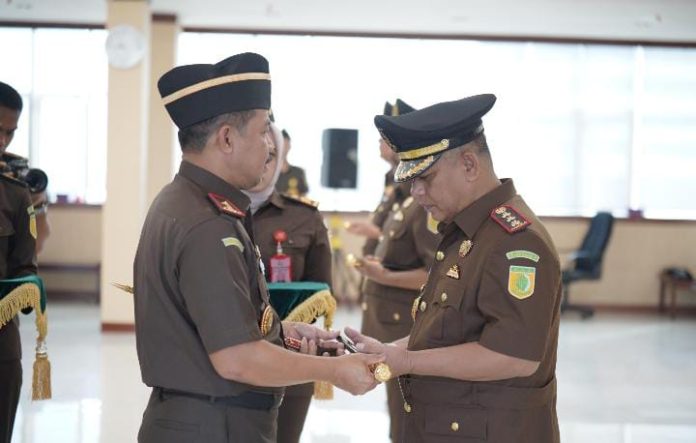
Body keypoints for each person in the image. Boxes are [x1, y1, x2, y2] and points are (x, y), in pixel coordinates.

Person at [133, 52, 383, 443]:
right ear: (227, 139)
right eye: (264, 131)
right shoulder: (207, 224)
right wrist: (335, 371)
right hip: (214, 427)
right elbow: (236, 358)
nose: (271, 147)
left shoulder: (189, 201)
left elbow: (218, 328)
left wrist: (284, 333)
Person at [346, 94, 562, 443]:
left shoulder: (515, 242)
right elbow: (449, 330)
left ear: (469, 165)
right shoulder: (466, 231)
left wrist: (407, 362)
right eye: (410, 181)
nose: (415, 192)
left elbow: (514, 356)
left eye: (425, 178)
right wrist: (390, 350)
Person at [351, 99, 440, 442]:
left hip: (402, 324)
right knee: (398, 412)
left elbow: (433, 272)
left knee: (408, 411)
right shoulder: (400, 192)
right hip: (386, 320)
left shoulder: (419, 201)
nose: (379, 144)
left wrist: (384, 276)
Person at [244, 120, 332, 443]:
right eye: (258, 153)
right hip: (230, 358)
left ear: (280, 159)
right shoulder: (215, 215)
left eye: (271, 156)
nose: (263, 165)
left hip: (291, 360)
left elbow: (322, 293)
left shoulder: (304, 218)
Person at [0, 81, 38, 443]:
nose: (3, 142)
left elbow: (25, 265)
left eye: (9, 133)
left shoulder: (15, 194)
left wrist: (26, 291)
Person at [275, 129, 309, 197]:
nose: (284, 147)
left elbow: (304, 196)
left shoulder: (299, 172)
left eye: (287, 144)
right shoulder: (268, 173)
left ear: (290, 146)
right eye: (282, 143)